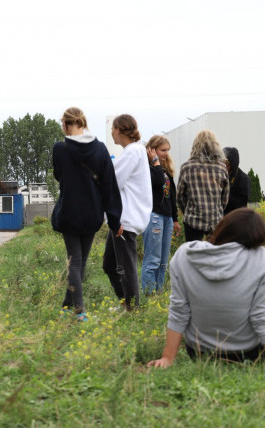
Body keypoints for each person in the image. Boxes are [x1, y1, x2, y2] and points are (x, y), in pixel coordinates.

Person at [147, 208, 265, 376]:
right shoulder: (263, 258)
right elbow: (262, 317)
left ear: (223, 228)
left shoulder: (185, 255)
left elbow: (180, 311)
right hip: (248, 354)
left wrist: (167, 358)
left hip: (199, 352)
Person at [51, 107, 122, 321]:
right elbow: (109, 186)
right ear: (83, 123)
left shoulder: (60, 149)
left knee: (74, 261)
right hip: (92, 213)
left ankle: (79, 310)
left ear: (65, 124)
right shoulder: (100, 149)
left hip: (70, 212)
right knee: (80, 261)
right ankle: (67, 305)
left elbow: (58, 175)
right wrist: (115, 219)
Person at [102, 114, 152, 310]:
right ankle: (126, 303)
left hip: (126, 219)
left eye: (113, 129)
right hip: (123, 217)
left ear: (121, 130)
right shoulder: (134, 151)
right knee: (109, 265)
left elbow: (113, 182)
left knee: (126, 268)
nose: (112, 133)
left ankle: (132, 309)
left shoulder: (132, 152)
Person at [140, 135, 181, 295]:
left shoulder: (165, 170)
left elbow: (172, 195)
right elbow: (156, 182)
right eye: (162, 150)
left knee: (163, 261)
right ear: (152, 150)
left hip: (167, 218)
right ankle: (149, 296)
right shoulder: (147, 168)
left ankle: (158, 293)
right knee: (153, 259)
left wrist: (175, 219)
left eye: (167, 150)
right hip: (154, 216)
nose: (166, 154)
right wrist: (155, 162)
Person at [176, 130, 229, 242]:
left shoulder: (186, 167)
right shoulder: (221, 167)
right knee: (215, 255)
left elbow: (180, 196)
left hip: (193, 220)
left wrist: (189, 210)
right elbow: (225, 198)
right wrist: (217, 209)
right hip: (215, 220)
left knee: (194, 256)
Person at [223, 147, 251, 214]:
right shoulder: (220, 176)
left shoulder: (244, 179)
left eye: (225, 161)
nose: (222, 164)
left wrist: (224, 194)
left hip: (236, 218)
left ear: (232, 163)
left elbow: (241, 204)